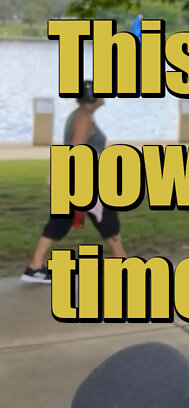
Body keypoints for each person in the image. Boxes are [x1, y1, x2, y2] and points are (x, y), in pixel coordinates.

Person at [21, 79, 127, 284]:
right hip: (84, 177)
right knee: (107, 219)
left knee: (60, 221)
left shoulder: (78, 116)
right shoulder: (84, 118)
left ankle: (34, 268)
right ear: (92, 97)